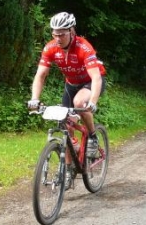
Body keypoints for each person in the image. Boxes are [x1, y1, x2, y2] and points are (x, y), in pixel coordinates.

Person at [28, 12, 106, 190]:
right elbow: (40, 75)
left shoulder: (84, 47)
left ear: (72, 31)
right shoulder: (50, 48)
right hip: (71, 85)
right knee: (66, 126)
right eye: (54, 34)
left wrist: (93, 101)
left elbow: (96, 78)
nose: (58, 38)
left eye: (62, 34)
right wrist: (34, 99)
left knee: (80, 103)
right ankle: (69, 170)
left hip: (90, 82)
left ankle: (93, 136)